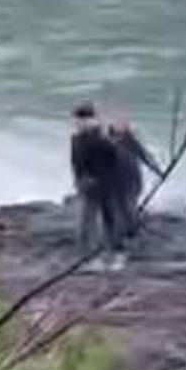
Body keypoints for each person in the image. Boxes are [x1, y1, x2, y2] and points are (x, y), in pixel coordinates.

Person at [71, 102, 127, 269]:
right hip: (89, 187)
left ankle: (116, 255)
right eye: (77, 120)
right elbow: (76, 164)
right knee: (87, 224)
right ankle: (91, 258)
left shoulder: (101, 140)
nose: (77, 124)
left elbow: (116, 161)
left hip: (105, 185)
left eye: (81, 120)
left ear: (89, 120)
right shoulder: (77, 139)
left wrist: (106, 180)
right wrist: (79, 180)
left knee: (108, 220)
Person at [106, 116, 165, 238]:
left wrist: (158, 171)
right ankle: (123, 230)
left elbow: (147, 158)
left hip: (131, 180)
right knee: (120, 206)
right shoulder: (107, 144)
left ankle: (130, 231)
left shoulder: (132, 143)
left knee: (128, 205)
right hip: (116, 182)